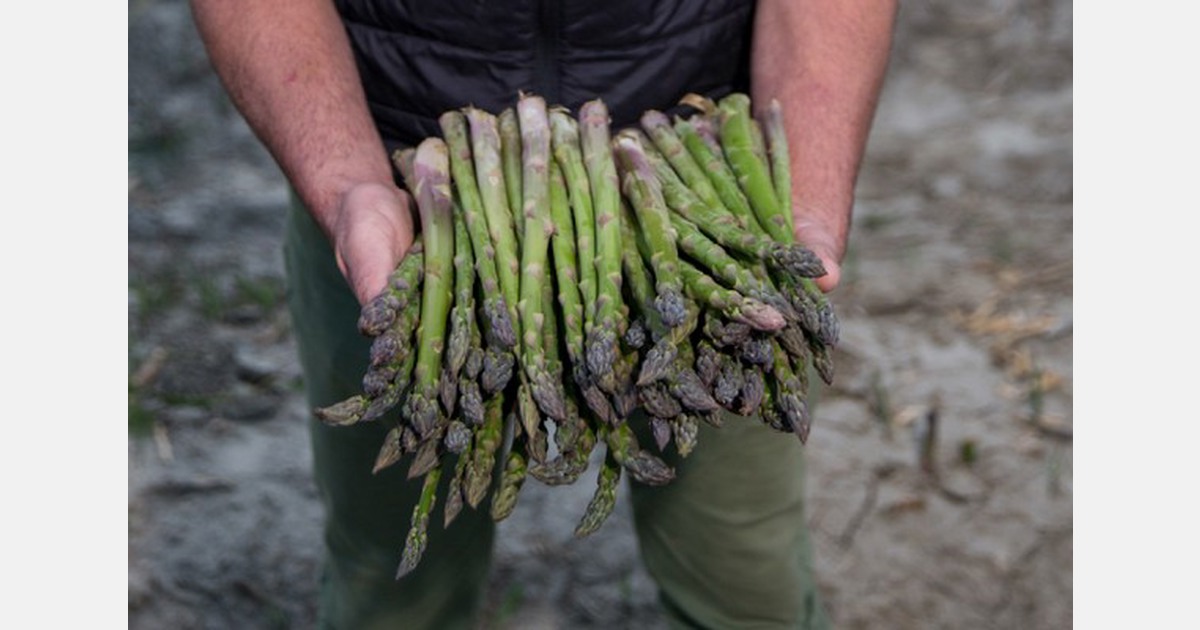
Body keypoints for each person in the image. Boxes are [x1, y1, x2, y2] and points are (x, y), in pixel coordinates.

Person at [189, 1, 897, 627]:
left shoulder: (737, 270)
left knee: (747, 579)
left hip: (707, 208)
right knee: (392, 582)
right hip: (413, 204)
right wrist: (350, 189)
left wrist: (805, 201)